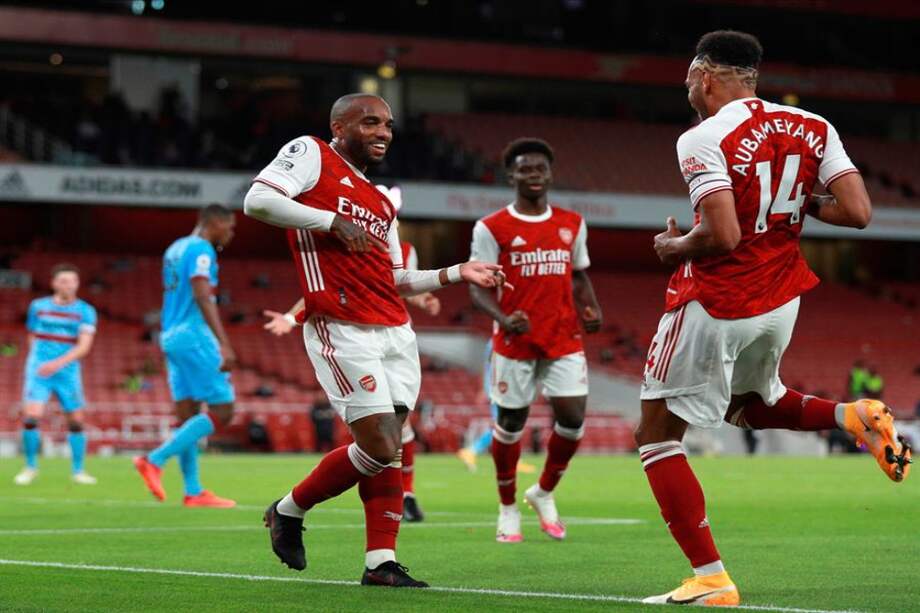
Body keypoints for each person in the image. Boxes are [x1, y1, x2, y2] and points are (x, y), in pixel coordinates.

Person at [636, 30, 912, 606]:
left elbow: (723, 234)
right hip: (781, 298)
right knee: (749, 405)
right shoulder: (815, 126)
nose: (688, 86)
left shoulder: (701, 137)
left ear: (705, 75)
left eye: (690, 76)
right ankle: (852, 415)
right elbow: (859, 212)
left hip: (715, 301)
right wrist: (798, 199)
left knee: (656, 436)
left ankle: (710, 577)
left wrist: (674, 248)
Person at [244, 92, 508, 587]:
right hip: (341, 326)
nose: (383, 132)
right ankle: (289, 509)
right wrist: (329, 220)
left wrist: (458, 272)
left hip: (395, 330)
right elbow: (257, 200)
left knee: (390, 451)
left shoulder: (382, 202)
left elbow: (398, 278)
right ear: (339, 126)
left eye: (387, 124)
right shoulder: (312, 153)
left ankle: (380, 562)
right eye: (370, 122)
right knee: (380, 442)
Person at [469, 137, 602, 543]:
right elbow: (477, 287)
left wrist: (591, 307)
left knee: (573, 420)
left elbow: (578, 273)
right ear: (511, 175)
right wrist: (503, 318)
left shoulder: (572, 222)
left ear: (550, 174)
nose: (533, 175)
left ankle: (542, 493)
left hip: (563, 336)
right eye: (525, 169)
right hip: (515, 341)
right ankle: (507, 508)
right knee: (511, 423)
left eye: (540, 169)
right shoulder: (491, 227)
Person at [261, 240, 439, 524]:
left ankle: (398, 515)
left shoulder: (405, 249)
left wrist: (424, 297)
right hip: (354, 338)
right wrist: (290, 318)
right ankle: (294, 507)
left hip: (393, 337)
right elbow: (321, 289)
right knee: (381, 440)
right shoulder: (345, 242)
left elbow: (402, 283)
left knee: (394, 435)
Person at [132, 204, 238, 508]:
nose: (230, 234)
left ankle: (193, 491)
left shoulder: (175, 247)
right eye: (229, 228)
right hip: (194, 335)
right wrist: (224, 343)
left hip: (170, 334)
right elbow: (202, 293)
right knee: (223, 411)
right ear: (215, 223)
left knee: (188, 414)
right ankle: (154, 460)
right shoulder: (203, 249)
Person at [15, 264, 98, 486]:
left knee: (76, 422)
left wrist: (56, 363)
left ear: (77, 284)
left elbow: (84, 347)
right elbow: (32, 334)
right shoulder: (38, 306)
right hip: (39, 371)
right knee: (31, 418)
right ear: (54, 283)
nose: (68, 285)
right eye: (63, 281)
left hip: (67, 372)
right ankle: (30, 467)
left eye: (72, 281)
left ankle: (78, 471)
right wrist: (37, 361)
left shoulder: (86, 311)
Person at [455, 339, 536, 475]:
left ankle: (473, 451)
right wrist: (484, 388)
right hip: (499, 387)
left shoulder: (499, 338)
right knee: (505, 425)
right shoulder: (497, 339)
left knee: (504, 424)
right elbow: (490, 365)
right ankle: (473, 451)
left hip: (502, 386)